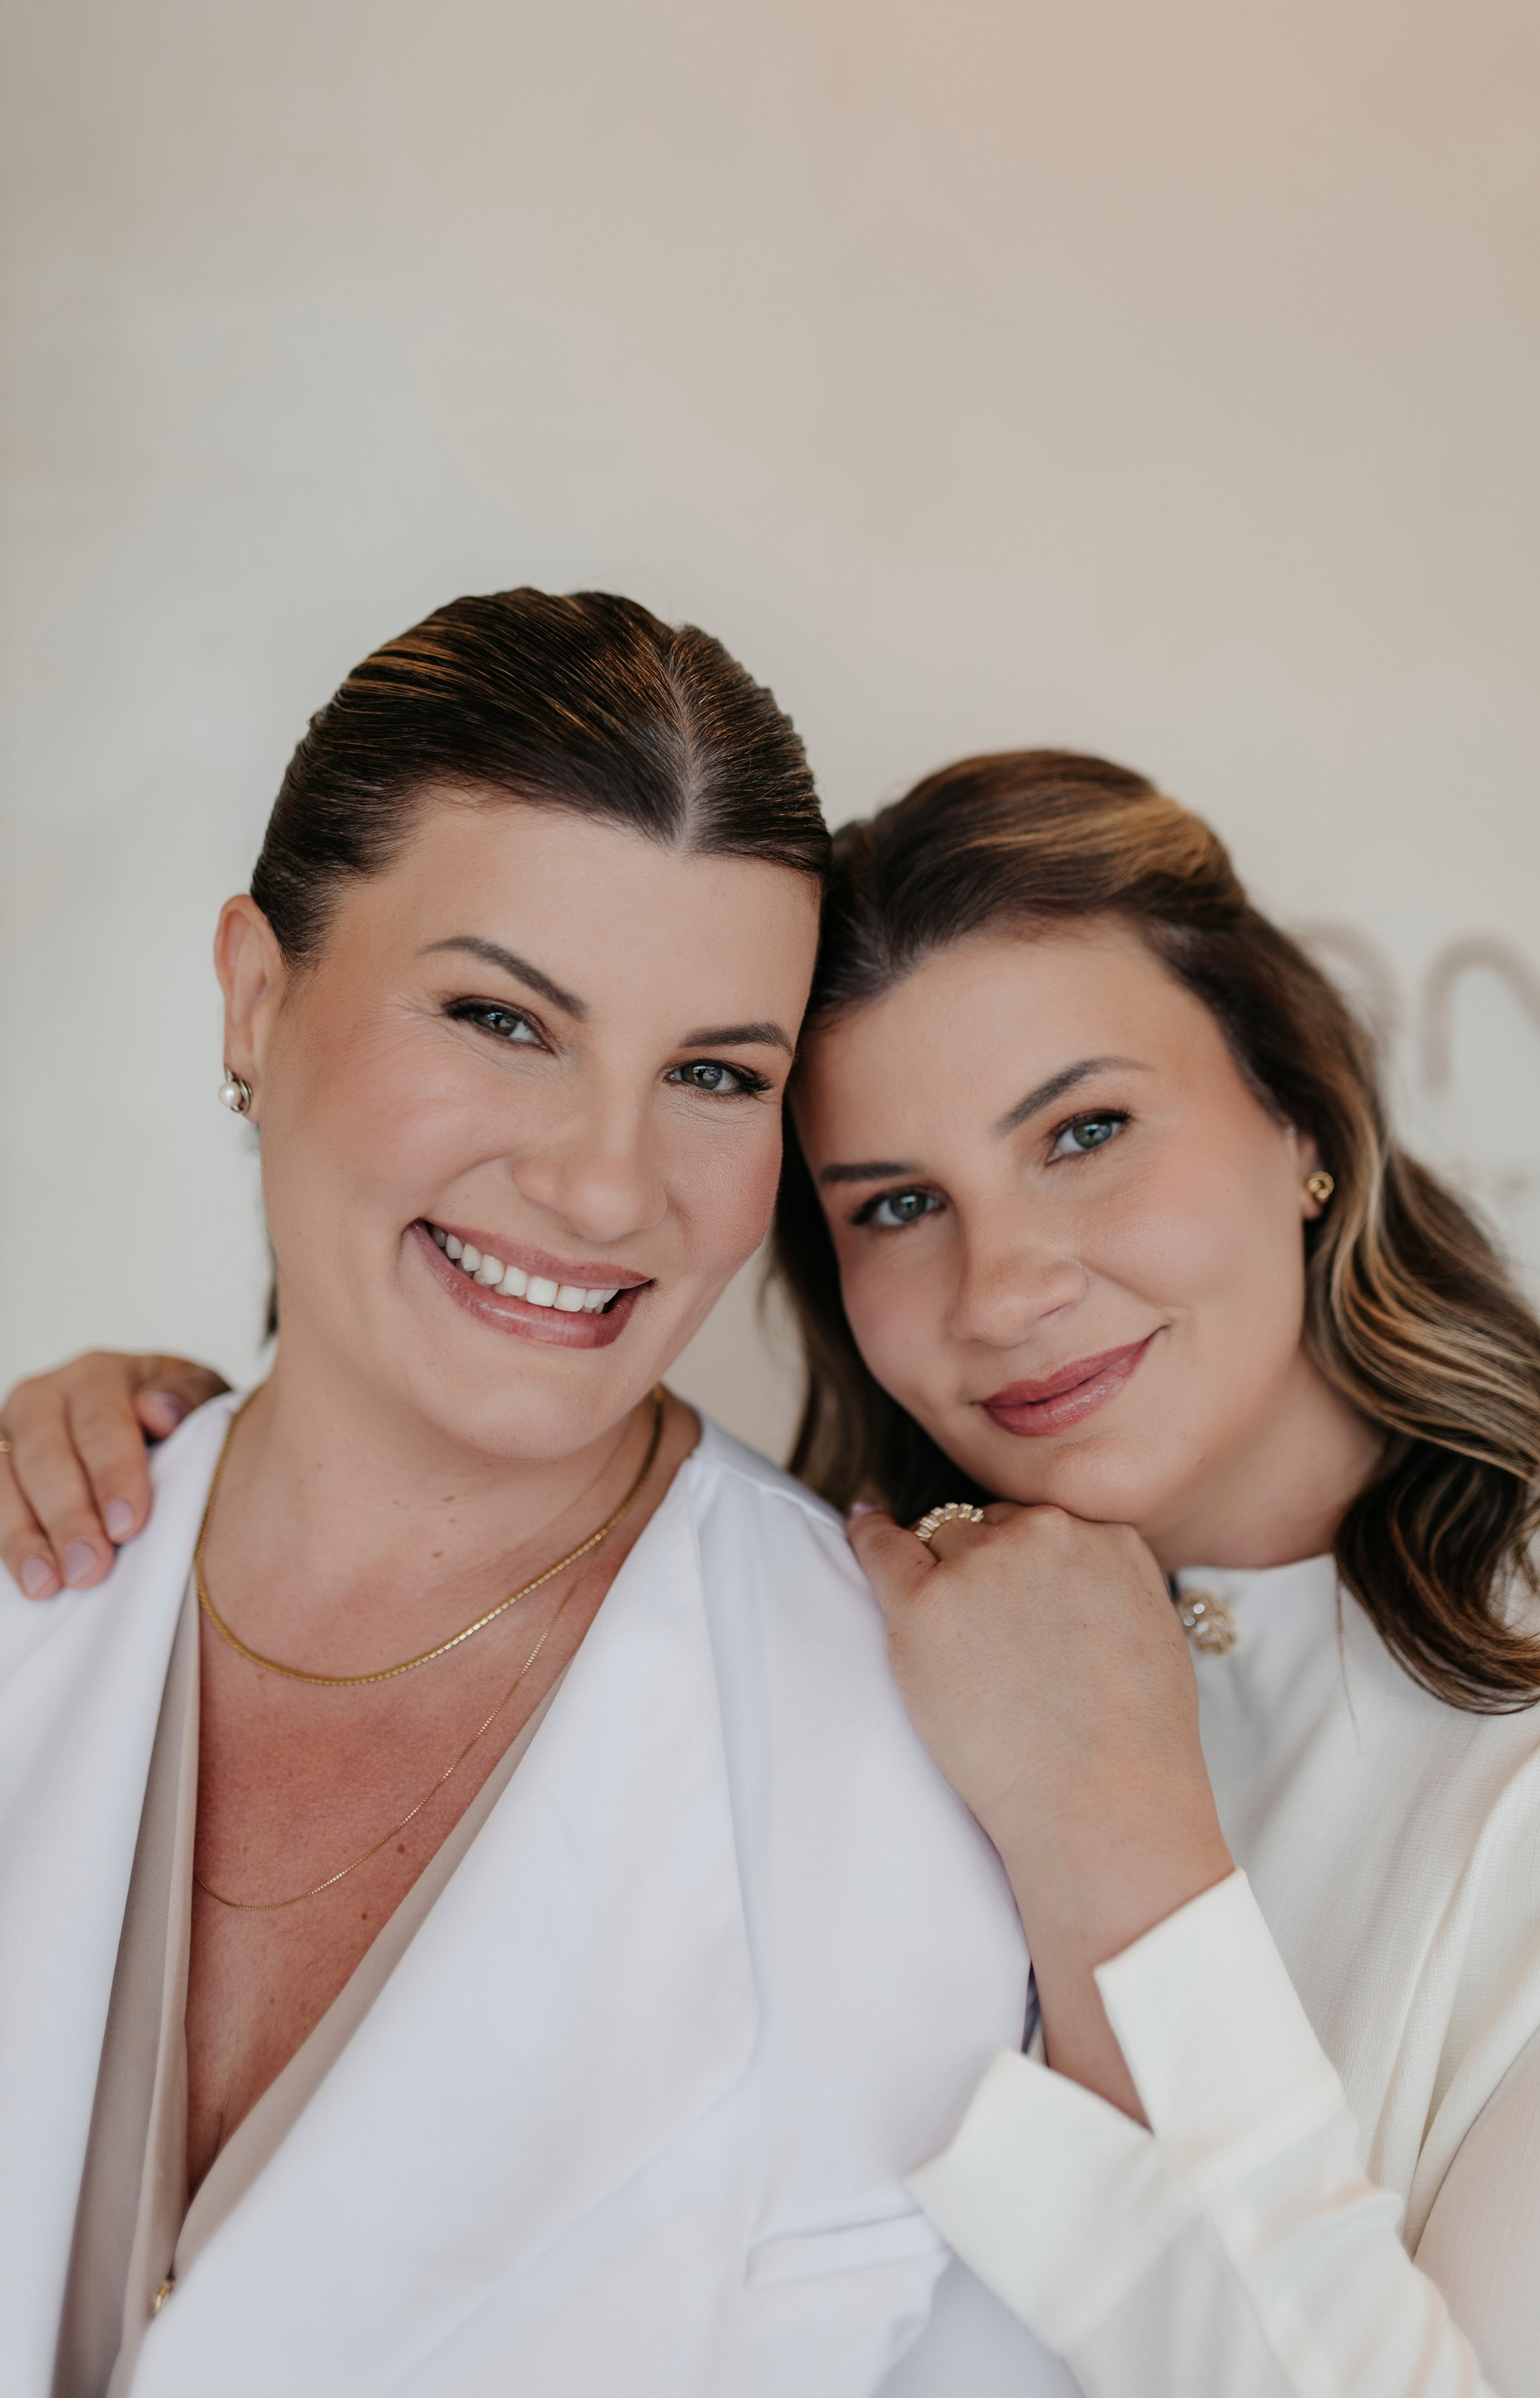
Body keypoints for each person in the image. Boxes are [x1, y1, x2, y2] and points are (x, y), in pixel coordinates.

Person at [24, 749, 1540, 2397]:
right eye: (898, 1204)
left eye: (1087, 1131)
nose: (1003, 1287)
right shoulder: (853, 1670)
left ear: (1302, 1119)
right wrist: (207, 1469)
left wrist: (1121, 1856)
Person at [0, 595, 1064, 2398]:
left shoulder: (932, 1773)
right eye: (502, 1019)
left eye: (714, 1075)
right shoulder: (41, 1555)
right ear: (256, 997)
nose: (602, 1187)